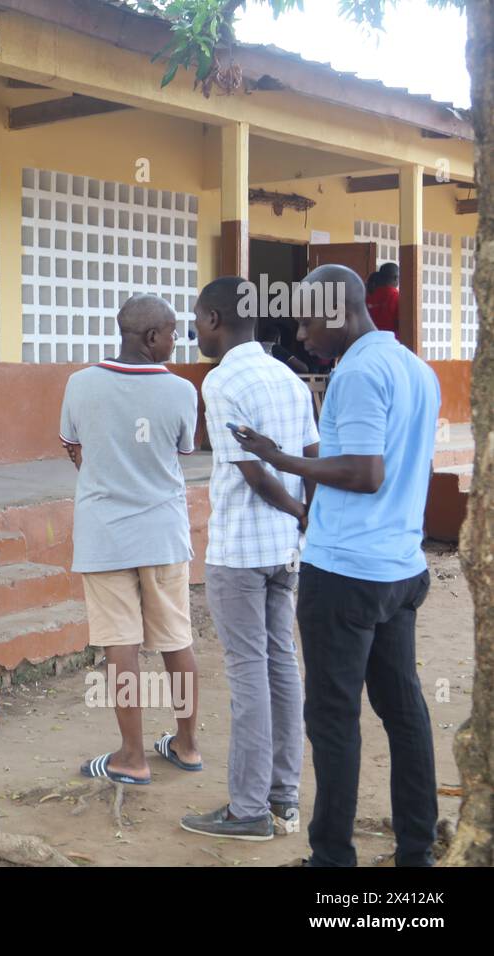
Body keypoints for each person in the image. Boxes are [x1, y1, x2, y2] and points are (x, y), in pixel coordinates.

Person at [235, 264, 441, 867]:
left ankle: (332, 862)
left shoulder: (356, 372)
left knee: (332, 718)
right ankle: (417, 853)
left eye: (305, 320)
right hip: (400, 568)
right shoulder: (417, 370)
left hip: (346, 574)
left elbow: (365, 472)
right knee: (404, 711)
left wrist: (277, 458)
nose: (300, 335)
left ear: (337, 312)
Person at [181, 277, 320, 841]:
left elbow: (251, 469)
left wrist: (294, 508)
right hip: (285, 552)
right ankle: (284, 800)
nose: (195, 332)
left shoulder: (221, 381)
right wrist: (305, 514)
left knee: (249, 675)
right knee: (281, 664)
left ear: (214, 318)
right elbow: (311, 453)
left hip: (240, 550)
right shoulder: (287, 375)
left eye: (197, 321)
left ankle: (247, 811)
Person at [60, 294, 201, 786]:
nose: (178, 339)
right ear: (150, 338)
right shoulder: (181, 391)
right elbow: (180, 452)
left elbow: (74, 449)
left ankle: (132, 757)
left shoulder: (80, 383)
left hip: (104, 535)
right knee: (176, 640)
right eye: (172, 331)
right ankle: (185, 745)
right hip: (163, 534)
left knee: (121, 646)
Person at [365, 261, 400, 338]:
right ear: (395, 278)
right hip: (391, 344)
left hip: (369, 342)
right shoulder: (398, 298)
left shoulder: (366, 299)